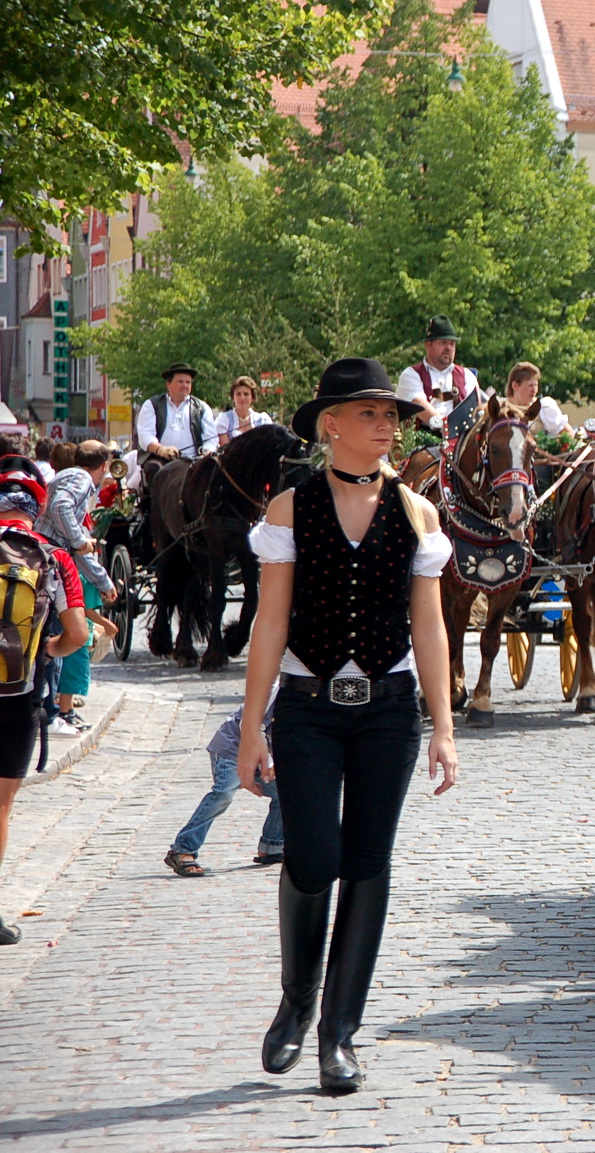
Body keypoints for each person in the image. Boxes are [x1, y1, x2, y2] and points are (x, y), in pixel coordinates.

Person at [238, 357, 458, 1093]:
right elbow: (270, 623)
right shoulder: (290, 510)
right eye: (370, 412)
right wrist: (250, 726)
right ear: (330, 424)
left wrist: (444, 728)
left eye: (392, 414)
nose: (387, 423)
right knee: (312, 855)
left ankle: (341, 1032)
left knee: (368, 861)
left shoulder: (418, 514)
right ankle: (297, 999)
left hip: (389, 714)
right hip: (306, 707)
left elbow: (430, 630)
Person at [0, 455, 90, 945]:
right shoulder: (52, 558)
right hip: (18, 693)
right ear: (35, 506)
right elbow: (76, 634)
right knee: (1, 807)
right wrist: (49, 648)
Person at [35, 440, 119, 734]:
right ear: (104, 465)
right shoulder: (81, 478)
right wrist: (80, 541)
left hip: (53, 557)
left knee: (54, 636)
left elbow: (77, 549)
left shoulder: (69, 475)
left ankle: (50, 709)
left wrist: (102, 580)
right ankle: (51, 712)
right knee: (60, 635)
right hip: (52, 560)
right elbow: (61, 511)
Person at [165, 690, 284, 876]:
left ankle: (272, 846)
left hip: (262, 753)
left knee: (286, 794)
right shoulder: (277, 690)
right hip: (233, 748)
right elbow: (250, 726)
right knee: (224, 793)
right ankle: (182, 849)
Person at [396, 316, 479, 432]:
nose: (448, 348)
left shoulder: (466, 376)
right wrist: (446, 427)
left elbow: (474, 410)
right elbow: (419, 405)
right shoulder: (411, 374)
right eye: (443, 343)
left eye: (452, 344)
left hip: (459, 440)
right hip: (420, 441)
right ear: (428, 345)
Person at [137, 362, 218, 465]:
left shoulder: (202, 408)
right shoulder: (152, 405)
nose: (185, 385)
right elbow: (145, 435)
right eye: (180, 381)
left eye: (188, 382)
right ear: (168, 384)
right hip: (160, 460)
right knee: (153, 470)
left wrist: (206, 451)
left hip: (194, 461)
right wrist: (161, 449)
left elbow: (211, 438)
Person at [500, 362, 571, 437]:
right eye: (530, 385)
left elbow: (569, 434)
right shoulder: (499, 408)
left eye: (536, 385)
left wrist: (549, 447)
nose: (534, 390)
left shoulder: (543, 408)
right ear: (515, 386)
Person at [216, 376, 274, 446]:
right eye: (238, 394)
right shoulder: (224, 420)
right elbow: (225, 451)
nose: (242, 398)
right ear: (233, 397)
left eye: (246, 394)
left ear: (252, 397)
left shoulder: (263, 420)